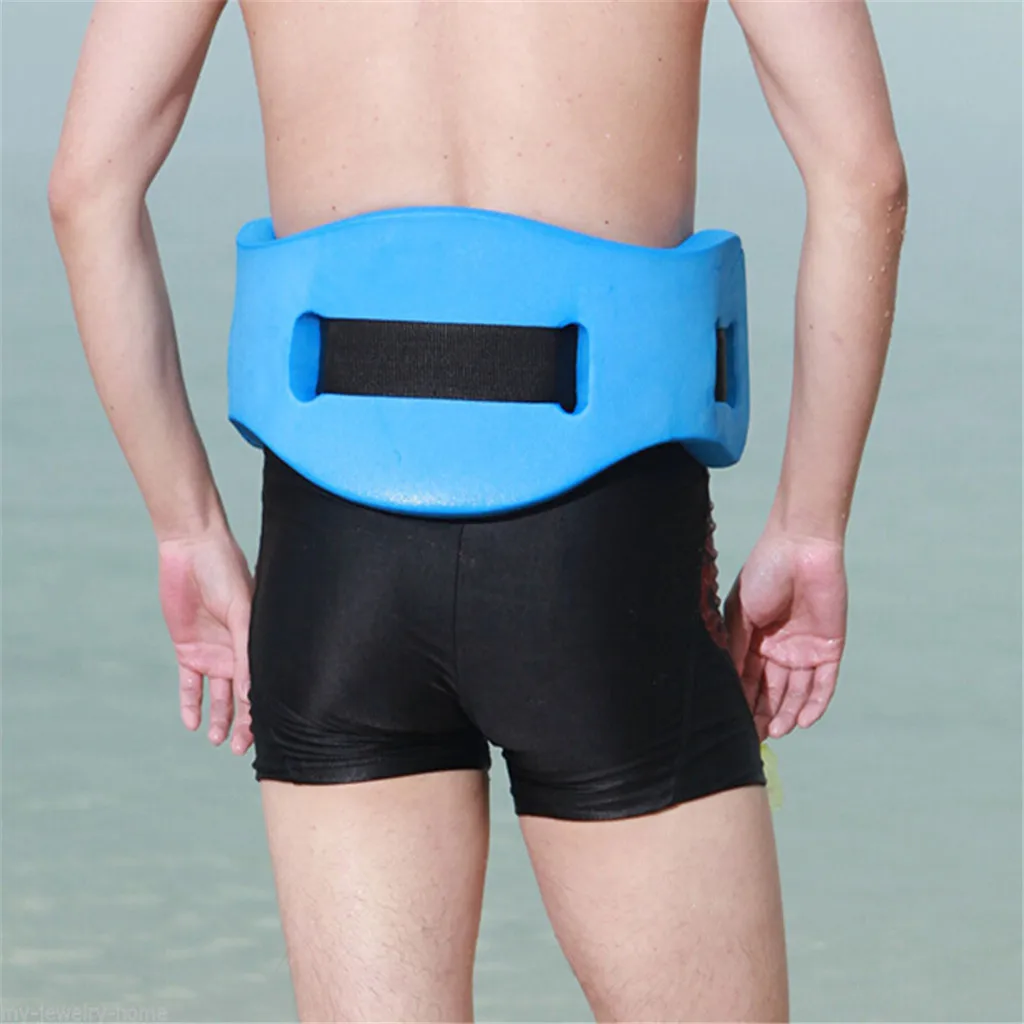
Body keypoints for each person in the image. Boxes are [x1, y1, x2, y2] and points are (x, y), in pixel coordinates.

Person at [49, 1, 906, 1021]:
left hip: (335, 548)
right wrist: (809, 525)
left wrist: (186, 526)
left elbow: (87, 191)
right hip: (602, 544)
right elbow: (864, 178)